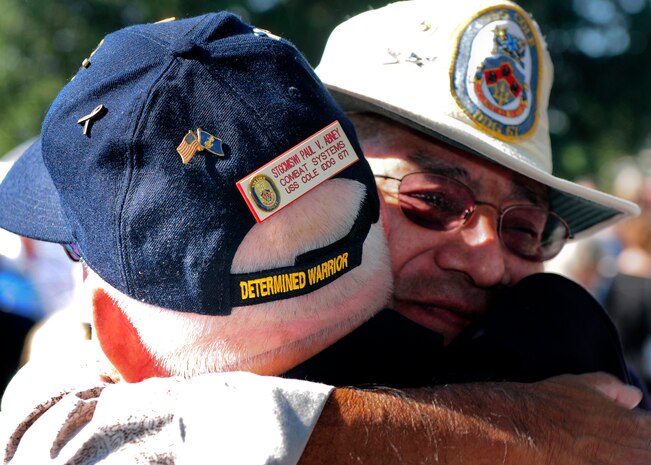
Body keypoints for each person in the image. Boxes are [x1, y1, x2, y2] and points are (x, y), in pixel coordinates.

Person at [0, 12, 393, 463]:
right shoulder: (485, 372)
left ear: (124, 341)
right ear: (385, 221)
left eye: (76, 251)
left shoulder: (60, 438)